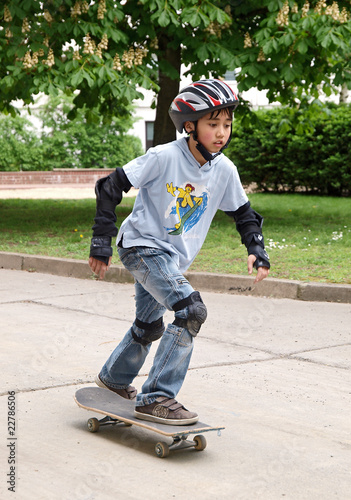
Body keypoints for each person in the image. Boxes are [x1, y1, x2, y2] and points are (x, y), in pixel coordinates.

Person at [88, 79, 270, 425]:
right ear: (190, 126)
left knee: (149, 325)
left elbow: (244, 215)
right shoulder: (164, 157)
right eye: (212, 124)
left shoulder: (224, 170)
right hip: (141, 247)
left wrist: (256, 250)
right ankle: (157, 396)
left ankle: (113, 381)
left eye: (227, 125)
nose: (221, 133)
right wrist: (101, 241)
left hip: (169, 259)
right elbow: (110, 187)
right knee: (191, 311)